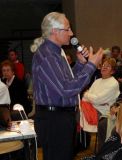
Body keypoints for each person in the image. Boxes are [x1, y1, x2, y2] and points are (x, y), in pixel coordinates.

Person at [30, 12, 103, 160]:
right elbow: (66, 89)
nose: (71, 33)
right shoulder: (48, 55)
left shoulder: (55, 53)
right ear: (54, 31)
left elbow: (66, 82)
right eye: (67, 29)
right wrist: (91, 66)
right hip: (54, 119)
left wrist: (81, 65)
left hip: (60, 117)